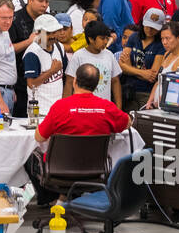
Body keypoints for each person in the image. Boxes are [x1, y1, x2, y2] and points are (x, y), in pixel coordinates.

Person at [25, 64, 131, 205]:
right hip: (95, 171)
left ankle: (49, 199)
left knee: (29, 156)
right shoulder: (107, 108)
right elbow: (127, 122)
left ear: (74, 81)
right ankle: (68, 197)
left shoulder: (60, 107)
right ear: (97, 84)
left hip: (59, 171)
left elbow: (39, 137)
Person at [8, 0, 50, 118]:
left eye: (47, 1)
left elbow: (47, 48)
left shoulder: (46, 21)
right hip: (20, 85)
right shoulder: (15, 20)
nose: (44, 5)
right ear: (30, 0)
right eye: (40, 0)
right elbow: (7, 50)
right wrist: (28, 42)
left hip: (43, 84)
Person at [70, 19, 124, 109]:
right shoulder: (78, 56)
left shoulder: (109, 55)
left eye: (107, 38)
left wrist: (118, 108)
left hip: (104, 109)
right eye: (102, 38)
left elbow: (115, 82)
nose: (106, 42)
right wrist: (68, 108)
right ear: (91, 39)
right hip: (83, 109)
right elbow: (69, 82)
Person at [119, 8, 167, 109]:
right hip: (129, 90)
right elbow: (122, 65)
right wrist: (143, 73)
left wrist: (129, 68)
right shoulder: (134, 37)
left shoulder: (160, 45)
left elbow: (152, 76)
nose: (149, 30)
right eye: (147, 26)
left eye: (154, 28)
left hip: (147, 93)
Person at [23, 14, 69, 118]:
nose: (52, 36)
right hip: (40, 111)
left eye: (54, 32)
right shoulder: (32, 53)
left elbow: (66, 77)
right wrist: (51, 71)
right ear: (38, 33)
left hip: (58, 109)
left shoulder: (59, 47)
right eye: (48, 33)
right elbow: (32, 84)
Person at [143, 20, 179, 109]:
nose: (164, 42)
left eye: (168, 38)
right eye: (162, 39)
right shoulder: (167, 54)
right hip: (156, 104)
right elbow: (159, 80)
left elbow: (175, 88)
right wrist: (150, 101)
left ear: (178, 38)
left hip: (168, 106)